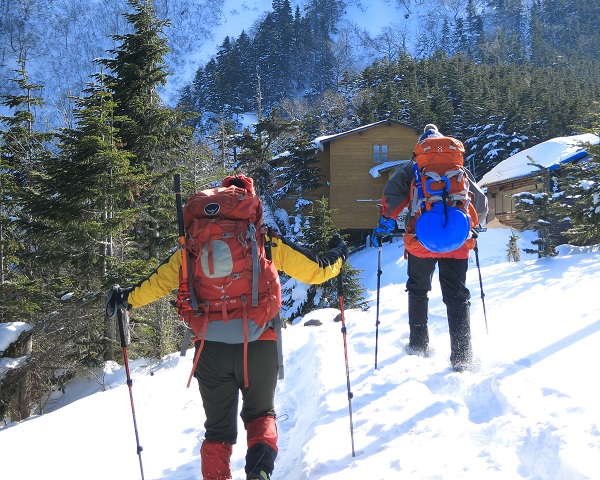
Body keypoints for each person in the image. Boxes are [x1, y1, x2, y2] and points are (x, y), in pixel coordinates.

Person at [106, 175, 349, 480]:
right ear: (249, 203)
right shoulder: (263, 240)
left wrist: (125, 298)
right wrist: (338, 253)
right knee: (261, 415)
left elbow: (156, 283)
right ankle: (259, 471)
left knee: (218, 430)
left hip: (209, 347)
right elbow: (317, 270)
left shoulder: (192, 245)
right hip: (259, 340)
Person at [372, 124, 489, 371]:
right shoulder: (458, 168)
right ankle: (462, 356)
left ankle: (418, 345)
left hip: (420, 240)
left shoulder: (413, 168)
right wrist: (474, 226)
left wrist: (384, 224)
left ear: (421, 146)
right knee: (456, 296)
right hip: (457, 243)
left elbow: (391, 196)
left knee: (418, 290)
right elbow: (479, 200)